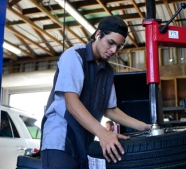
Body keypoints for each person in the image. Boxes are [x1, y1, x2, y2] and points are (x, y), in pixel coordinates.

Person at [40, 16, 151, 169]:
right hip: (61, 138)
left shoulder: (108, 71)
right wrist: (103, 134)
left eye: (118, 46)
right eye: (111, 43)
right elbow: (71, 103)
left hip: (86, 140)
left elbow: (109, 109)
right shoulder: (74, 56)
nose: (114, 50)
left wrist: (143, 127)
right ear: (98, 34)